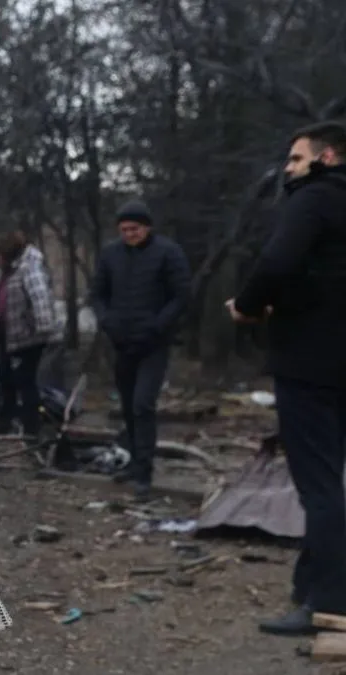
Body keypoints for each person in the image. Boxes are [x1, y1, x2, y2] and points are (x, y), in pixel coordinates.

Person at [226, 121, 346, 636]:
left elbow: (276, 261)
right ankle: (310, 585)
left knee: (319, 488)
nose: (289, 169)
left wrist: (248, 307)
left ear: (328, 157)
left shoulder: (317, 198)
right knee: (334, 482)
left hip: (310, 364)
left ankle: (330, 603)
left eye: (297, 159)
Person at [89, 200, 191, 501]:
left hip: (153, 343)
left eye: (134, 229)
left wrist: (158, 326)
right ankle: (134, 462)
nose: (129, 234)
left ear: (147, 227)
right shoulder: (111, 254)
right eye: (124, 230)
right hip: (122, 342)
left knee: (143, 405)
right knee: (128, 406)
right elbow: (98, 294)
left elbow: (182, 295)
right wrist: (106, 321)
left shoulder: (168, 252)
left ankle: (145, 473)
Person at [0, 231, 62, 440]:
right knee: (5, 376)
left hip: (28, 337)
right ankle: (6, 421)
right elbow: (6, 297)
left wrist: (45, 330)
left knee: (25, 381)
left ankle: (31, 428)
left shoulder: (29, 268)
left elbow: (40, 298)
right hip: (9, 335)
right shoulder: (10, 271)